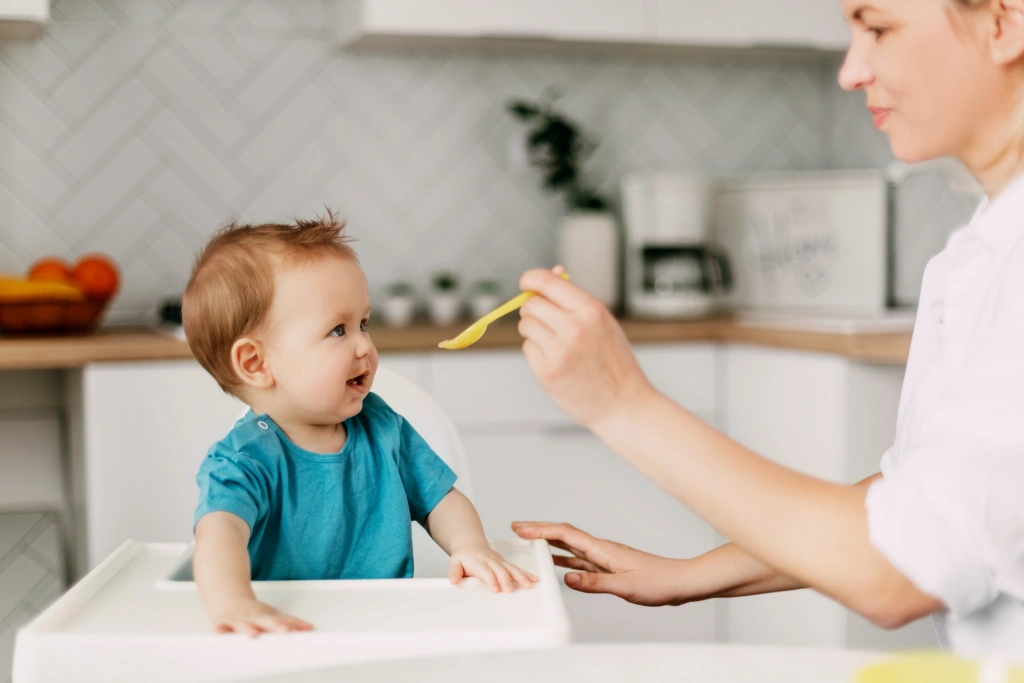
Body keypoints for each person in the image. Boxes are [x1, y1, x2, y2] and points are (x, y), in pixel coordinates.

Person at [513, 0, 1024, 658]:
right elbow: (926, 505)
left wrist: (622, 403)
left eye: (878, 27)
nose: (851, 71)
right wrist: (687, 575)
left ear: (1004, 22)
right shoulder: (978, 252)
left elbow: (899, 566)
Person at [182, 214, 536, 637]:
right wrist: (234, 601)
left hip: (382, 626)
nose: (365, 345)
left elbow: (441, 499)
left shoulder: (383, 428)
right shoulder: (243, 461)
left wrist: (471, 546)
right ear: (256, 363)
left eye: (364, 324)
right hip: (286, 632)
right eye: (338, 330)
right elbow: (219, 532)